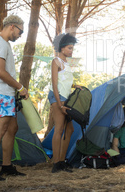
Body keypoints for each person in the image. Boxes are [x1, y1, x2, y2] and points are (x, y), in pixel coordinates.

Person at [0, 15, 29, 181]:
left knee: (12, 128)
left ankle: (6, 167)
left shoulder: (3, 44)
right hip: (1, 92)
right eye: (21, 31)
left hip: (7, 93)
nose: (20, 35)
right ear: (12, 26)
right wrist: (20, 87)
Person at [49, 33, 80, 173]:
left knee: (70, 129)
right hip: (57, 97)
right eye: (69, 48)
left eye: (72, 48)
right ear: (61, 48)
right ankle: (56, 163)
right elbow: (55, 84)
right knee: (60, 128)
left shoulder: (67, 63)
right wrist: (60, 104)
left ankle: (62, 161)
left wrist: (75, 86)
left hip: (66, 98)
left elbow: (65, 81)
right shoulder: (56, 61)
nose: (71, 51)